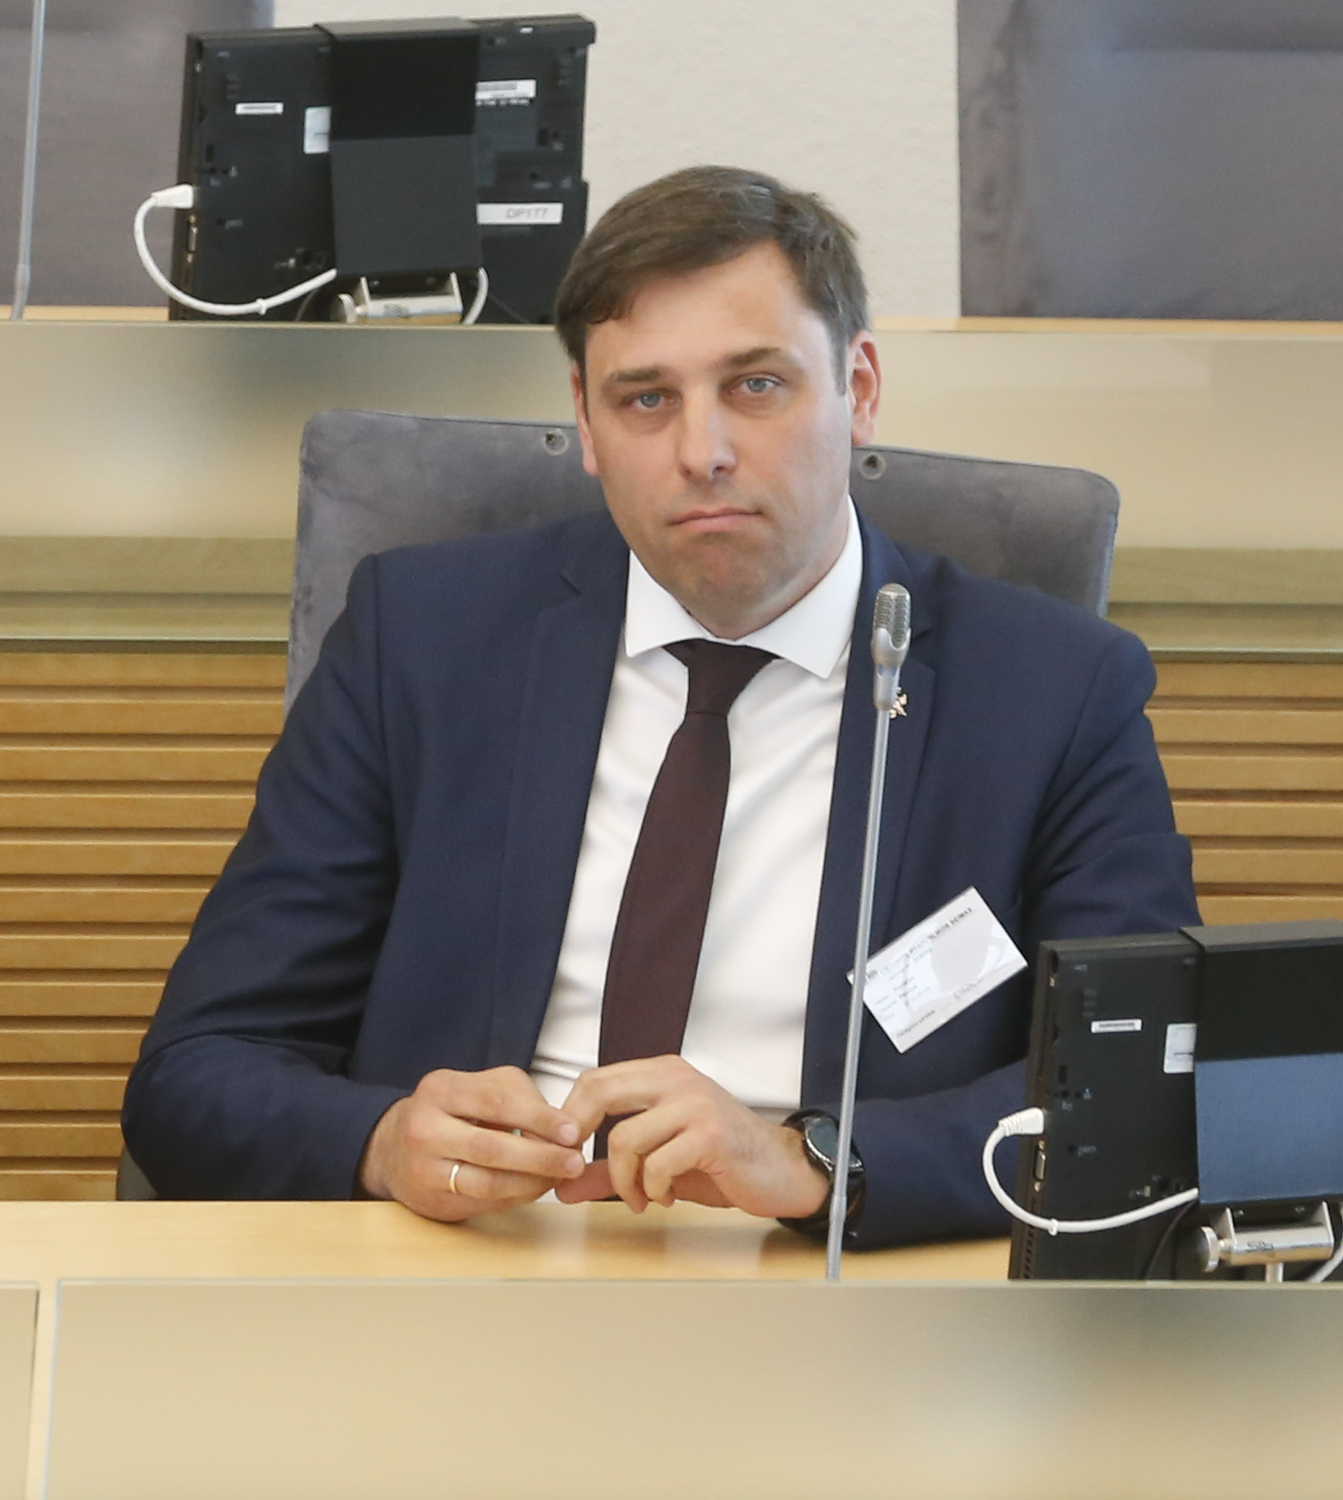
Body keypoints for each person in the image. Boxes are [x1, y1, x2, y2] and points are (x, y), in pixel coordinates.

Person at [122, 166, 1199, 1246]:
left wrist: (818, 1162)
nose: (702, 453)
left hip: (826, 1276)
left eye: (756, 386)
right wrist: (381, 1140)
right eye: (645, 399)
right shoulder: (423, 642)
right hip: (474, 1267)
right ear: (586, 425)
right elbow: (196, 1072)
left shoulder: (1053, 691)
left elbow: (1145, 1087)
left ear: (859, 387)